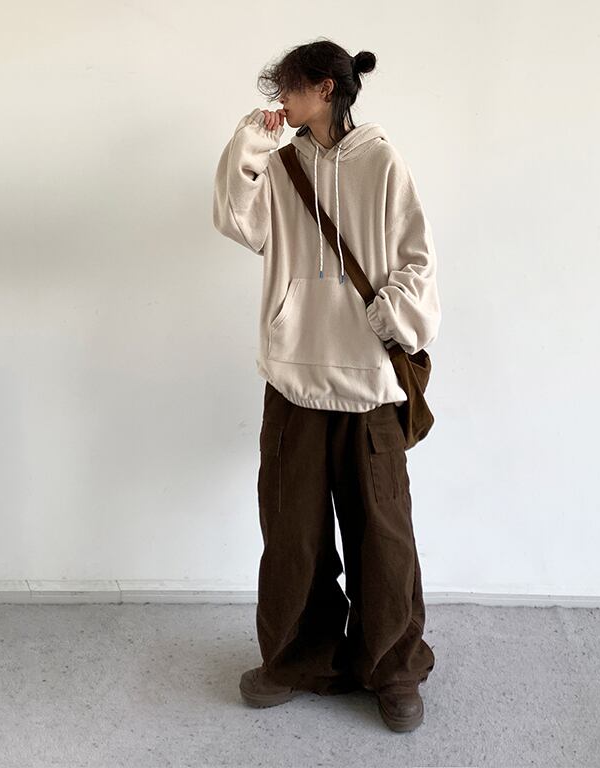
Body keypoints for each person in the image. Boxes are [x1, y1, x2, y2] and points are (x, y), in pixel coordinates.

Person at [212, 39, 441, 732]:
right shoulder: (281, 165)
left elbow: (418, 260)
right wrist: (252, 141)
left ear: (324, 88)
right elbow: (234, 218)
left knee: (384, 537)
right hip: (294, 379)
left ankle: (392, 669)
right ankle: (297, 659)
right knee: (293, 534)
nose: (280, 100)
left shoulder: (381, 160)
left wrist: (390, 312)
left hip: (370, 385)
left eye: (289, 88)